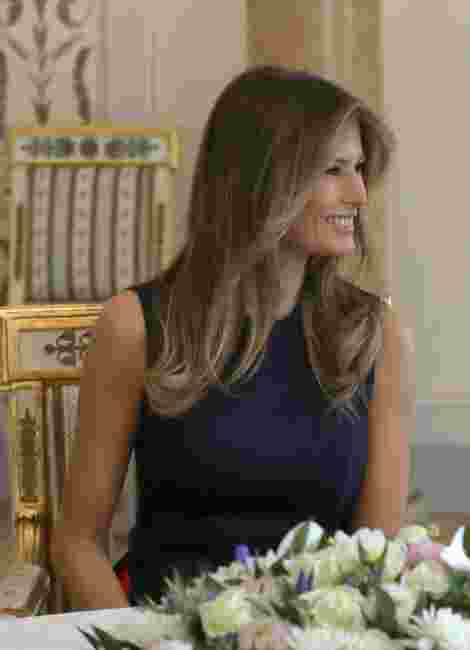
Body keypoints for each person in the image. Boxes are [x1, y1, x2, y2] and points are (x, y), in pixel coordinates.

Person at [50, 65, 414, 609]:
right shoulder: (135, 324)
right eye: (332, 169)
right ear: (262, 181)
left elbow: (376, 553)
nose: (359, 193)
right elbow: (78, 544)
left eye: (359, 168)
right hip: (167, 632)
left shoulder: (373, 333)